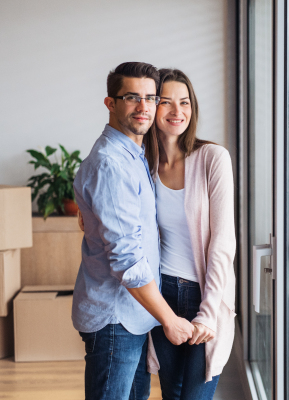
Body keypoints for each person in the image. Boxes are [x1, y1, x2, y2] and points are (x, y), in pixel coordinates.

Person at [72, 62, 194, 400]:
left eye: (151, 98)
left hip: (132, 315)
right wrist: (169, 319)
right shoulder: (113, 162)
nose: (144, 107)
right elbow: (126, 258)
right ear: (110, 103)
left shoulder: (132, 153)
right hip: (116, 318)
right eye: (131, 97)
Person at [144, 68, 236, 400]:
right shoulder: (145, 165)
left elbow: (223, 241)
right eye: (165, 102)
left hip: (204, 293)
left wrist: (209, 311)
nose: (176, 111)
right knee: (172, 392)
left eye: (184, 102)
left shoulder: (213, 158)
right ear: (151, 107)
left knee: (196, 395)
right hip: (161, 294)